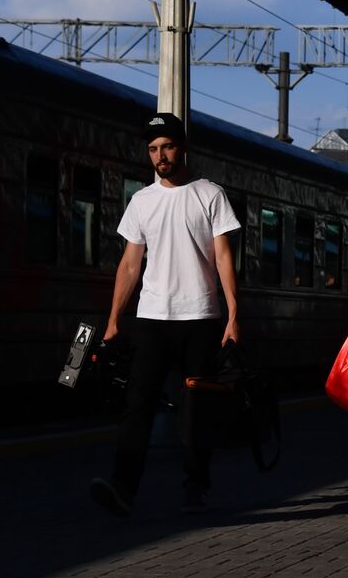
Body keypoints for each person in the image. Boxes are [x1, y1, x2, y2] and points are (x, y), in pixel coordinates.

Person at [90, 112, 241, 518]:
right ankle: (123, 486)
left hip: (201, 317)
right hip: (153, 318)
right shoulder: (141, 201)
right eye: (154, 149)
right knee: (137, 404)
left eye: (167, 147)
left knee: (196, 410)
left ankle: (196, 484)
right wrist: (113, 319)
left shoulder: (209, 194)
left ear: (182, 147)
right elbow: (129, 265)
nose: (161, 156)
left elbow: (225, 257)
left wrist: (232, 315)